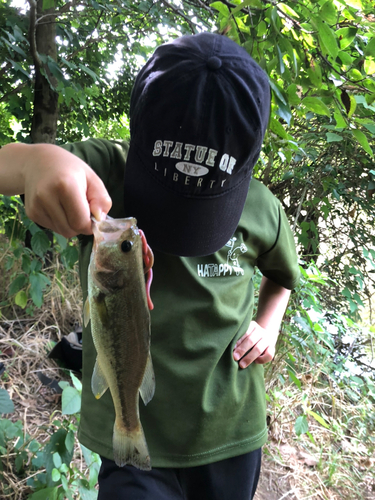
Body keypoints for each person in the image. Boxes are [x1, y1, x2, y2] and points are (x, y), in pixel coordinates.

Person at [0, 33, 300, 499]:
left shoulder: (263, 211)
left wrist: (268, 324)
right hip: (131, 433)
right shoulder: (103, 173)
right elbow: (7, 167)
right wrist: (34, 161)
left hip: (230, 430)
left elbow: (282, 278)